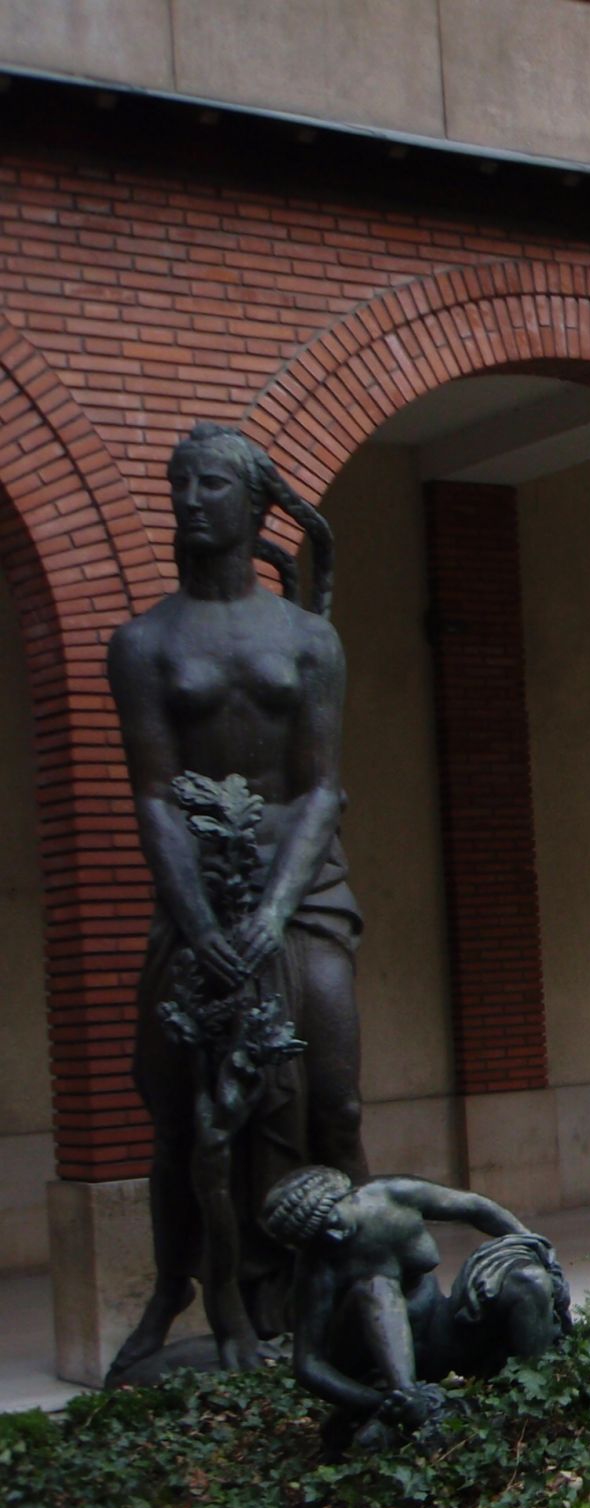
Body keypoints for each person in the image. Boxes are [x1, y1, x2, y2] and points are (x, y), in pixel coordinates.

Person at [107, 425, 367, 1375]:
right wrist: (208, 925)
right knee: (179, 1111)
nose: (189, 500)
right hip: (199, 902)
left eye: (210, 484)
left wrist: (267, 916)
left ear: (256, 504)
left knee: (333, 1095)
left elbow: (320, 791)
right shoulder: (141, 644)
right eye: (180, 483)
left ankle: (351, 1281)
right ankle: (185, 1289)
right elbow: (153, 795)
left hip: (302, 894)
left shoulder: (308, 639)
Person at [260, 1166, 567, 1456]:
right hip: (376, 1368)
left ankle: (534, 1400)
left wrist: (540, 1251)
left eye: (332, 1222)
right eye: (317, 1238)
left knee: (528, 1279)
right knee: (376, 1285)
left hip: (440, 1329)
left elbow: (476, 1207)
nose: (334, 1238)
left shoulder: (393, 1195)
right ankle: (407, 1396)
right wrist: (379, 1402)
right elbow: (308, 1363)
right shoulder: (317, 1267)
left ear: (346, 1197)